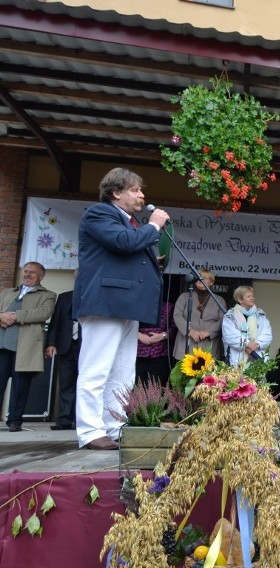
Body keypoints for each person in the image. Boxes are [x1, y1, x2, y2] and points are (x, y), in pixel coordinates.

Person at [73, 167, 170, 450]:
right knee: (96, 370)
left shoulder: (128, 222)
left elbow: (129, 249)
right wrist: (153, 226)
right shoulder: (99, 213)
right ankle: (90, 431)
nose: (141, 195)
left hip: (126, 306)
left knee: (122, 373)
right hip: (105, 303)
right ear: (116, 193)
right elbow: (123, 244)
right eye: (135, 190)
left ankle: (114, 426)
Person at [0, 262, 56, 432]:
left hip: (26, 347)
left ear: (41, 276)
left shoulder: (48, 295)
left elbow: (43, 313)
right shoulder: (7, 292)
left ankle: (15, 421)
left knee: (20, 387)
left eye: (32, 272)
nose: (28, 274)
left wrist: (15, 316)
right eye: (26, 271)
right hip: (2, 345)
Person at [45, 283, 80, 430]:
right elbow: (55, 322)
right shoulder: (64, 297)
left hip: (86, 347)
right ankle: (64, 420)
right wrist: (51, 343)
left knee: (85, 384)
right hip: (65, 346)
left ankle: (81, 421)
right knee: (66, 384)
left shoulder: (95, 295)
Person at [172, 269, 226, 362]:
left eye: (205, 278)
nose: (201, 280)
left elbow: (223, 320)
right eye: (199, 277)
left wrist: (208, 332)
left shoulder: (219, 300)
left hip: (209, 345)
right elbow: (177, 315)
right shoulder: (185, 297)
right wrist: (190, 331)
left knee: (207, 376)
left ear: (211, 282)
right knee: (183, 374)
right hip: (186, 343)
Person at [222, 286, 273, 367]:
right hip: (237, 360)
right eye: (249, 296)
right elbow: (230, 336)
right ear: (240, 299)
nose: (252, 298)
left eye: (253, 296)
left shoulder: (260, 315)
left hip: (258, 358)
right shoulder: (230, 315)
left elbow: (267, 335)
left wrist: (257, 345)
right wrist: (247, 344)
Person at [136, 300, 174, 385]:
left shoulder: (168, 306)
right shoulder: (136, 303)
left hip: (160, 353)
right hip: (138, 352)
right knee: (137, 386)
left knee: (158, 386)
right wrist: (139, 335)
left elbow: (175, 328)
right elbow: (126, 323)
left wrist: (163, 335)